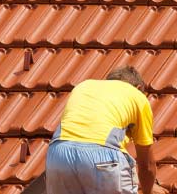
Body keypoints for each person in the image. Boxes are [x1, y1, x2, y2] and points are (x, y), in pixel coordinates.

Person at [45, 66, 165, 194]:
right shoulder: (137, 96)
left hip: (58, 154)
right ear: (139, 88)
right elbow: (146, 165)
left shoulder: (83, 86)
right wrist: (148, 190)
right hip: (102, 156)